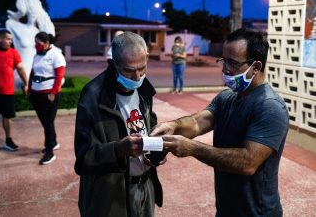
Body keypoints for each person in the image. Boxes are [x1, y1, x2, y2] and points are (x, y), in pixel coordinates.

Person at [152, 29, 289, 217]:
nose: (224, 69)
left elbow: (248, 162)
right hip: (227, 210)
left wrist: (193, 148)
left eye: (232, 63)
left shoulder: (270, 107)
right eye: (223, 61)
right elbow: (197, 122)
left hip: (258, 213)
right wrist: (173, 126)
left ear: (256, 67)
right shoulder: (227, 97)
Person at [74, 31, 165, 217]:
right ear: (113, 64)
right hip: (110, 196)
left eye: (142, 68)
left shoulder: (143, 87)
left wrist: (157, 149)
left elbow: (148, 122)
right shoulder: (93, 95)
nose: (137, 77)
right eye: (129, 71)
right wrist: (118, 150)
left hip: (145, 187)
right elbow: (83, 160)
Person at [29, 32, 66, 165]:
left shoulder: (56, 55)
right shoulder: (37, 55)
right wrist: (29, 88)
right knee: (45, 122)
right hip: (36, 92)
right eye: (35, 42)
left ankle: (49, 152)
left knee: (48, 122)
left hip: (49, 93)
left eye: (38, 43)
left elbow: (60, 75)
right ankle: (53, 142)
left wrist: (53, 92)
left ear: (46, 43)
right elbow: (33, 73)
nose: (36, 45)